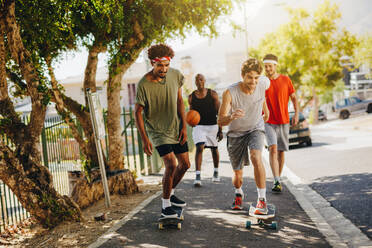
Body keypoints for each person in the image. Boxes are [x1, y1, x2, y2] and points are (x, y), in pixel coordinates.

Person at [135, 44, 190, 218]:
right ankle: (166, 207)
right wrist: (145, 139)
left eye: (166, 65)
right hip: (157, 131)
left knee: (185, 165)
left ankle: (170, 192)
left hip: (175, 127)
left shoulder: (175, 75)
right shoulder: (144, 84)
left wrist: (184, 126)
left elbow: (180, 101)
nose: (164, 69)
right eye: (160, 65)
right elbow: (137, 112)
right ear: (152, 63)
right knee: (171, 164)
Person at [218, 58, 270, 214]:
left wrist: (265, 111)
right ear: (242, 75)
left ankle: (262, 200)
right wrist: (231, 116)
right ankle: (238, 193)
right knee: (238, 174)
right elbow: (220, 120)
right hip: (236, 134)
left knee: (256, 156)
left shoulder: (262, 84)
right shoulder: (230, 92)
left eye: (256, 78)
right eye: (249, 77)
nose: (253, 81)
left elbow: (261, 97)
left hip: (255, 128)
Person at [263, 54, 299, 193]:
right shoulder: (263, 81)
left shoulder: (285, 80)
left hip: (283, 120)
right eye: (265, 66)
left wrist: (296, 114)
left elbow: (294, 98)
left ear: (275, 66)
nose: (267, 69)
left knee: (281, 151)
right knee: (273, 148)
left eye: (270, 66)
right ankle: (277, 180)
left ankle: (278, 176)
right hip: (268, 121)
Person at [188, 74, 223, 186]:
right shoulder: (191, 97)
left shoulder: (213, 94)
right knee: (200, 147)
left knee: (214, 149)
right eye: (197, 80)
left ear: (205, 80)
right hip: (199, 126)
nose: (199, 81)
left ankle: (216, 172)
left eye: (201, 79)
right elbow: (190, 113)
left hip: (212, 125)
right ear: (195, 82)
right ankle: (198, 176)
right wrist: (190, 122)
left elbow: (219, 112)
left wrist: (220, 129)